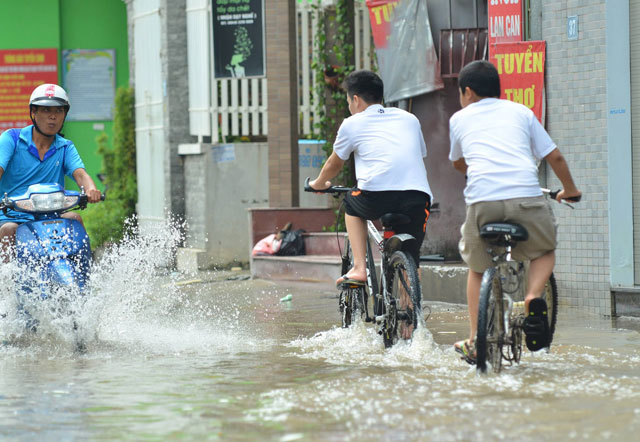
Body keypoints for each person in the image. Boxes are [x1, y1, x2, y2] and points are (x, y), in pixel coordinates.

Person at [448, 60, 582, 362]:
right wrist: (570, 190)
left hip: (483, 202)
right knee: (544, 249)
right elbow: (555, 157)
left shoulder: (459, 119)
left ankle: (474, 339)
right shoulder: (521, 112)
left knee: (477, 266)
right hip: (526, 197)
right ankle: (533, 295)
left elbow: (458, 162)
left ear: (467, 92)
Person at [308, 70, 433, 286]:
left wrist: (318, 184)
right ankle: (411, 316)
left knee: (351, 206)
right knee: (411, 259)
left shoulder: (352, 123)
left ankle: (359, 268)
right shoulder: (410, 119)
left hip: (376, 195)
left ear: (355, 99)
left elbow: (334, 164)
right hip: (418, 196)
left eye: (348, 101)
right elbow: (418, 154)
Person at [0, 83, 102, 261]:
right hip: (10, 214)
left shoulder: (65, 147)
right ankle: (6, 282)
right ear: (34, 113)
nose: (53, 117)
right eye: (46, 110)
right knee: (9, 230)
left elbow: (80, 174)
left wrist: (91, 189)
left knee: (74, 218)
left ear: (65, 115)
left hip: (52, 214)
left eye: (59, 111)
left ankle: (85, 274)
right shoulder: (12, 139)